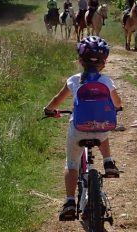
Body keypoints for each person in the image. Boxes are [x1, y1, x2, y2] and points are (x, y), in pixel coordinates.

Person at [43, 36, 123, 221]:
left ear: (80, 61)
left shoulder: (73, 80)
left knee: (71, 164)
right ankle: (109, 161)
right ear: (104, 63)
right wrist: (116, 107)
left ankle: (70, 202)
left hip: (78, 129)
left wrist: (49, 110)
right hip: (102, 128)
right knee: (102, 132)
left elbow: (57, 99)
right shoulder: (106, 81)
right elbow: (117, 102)